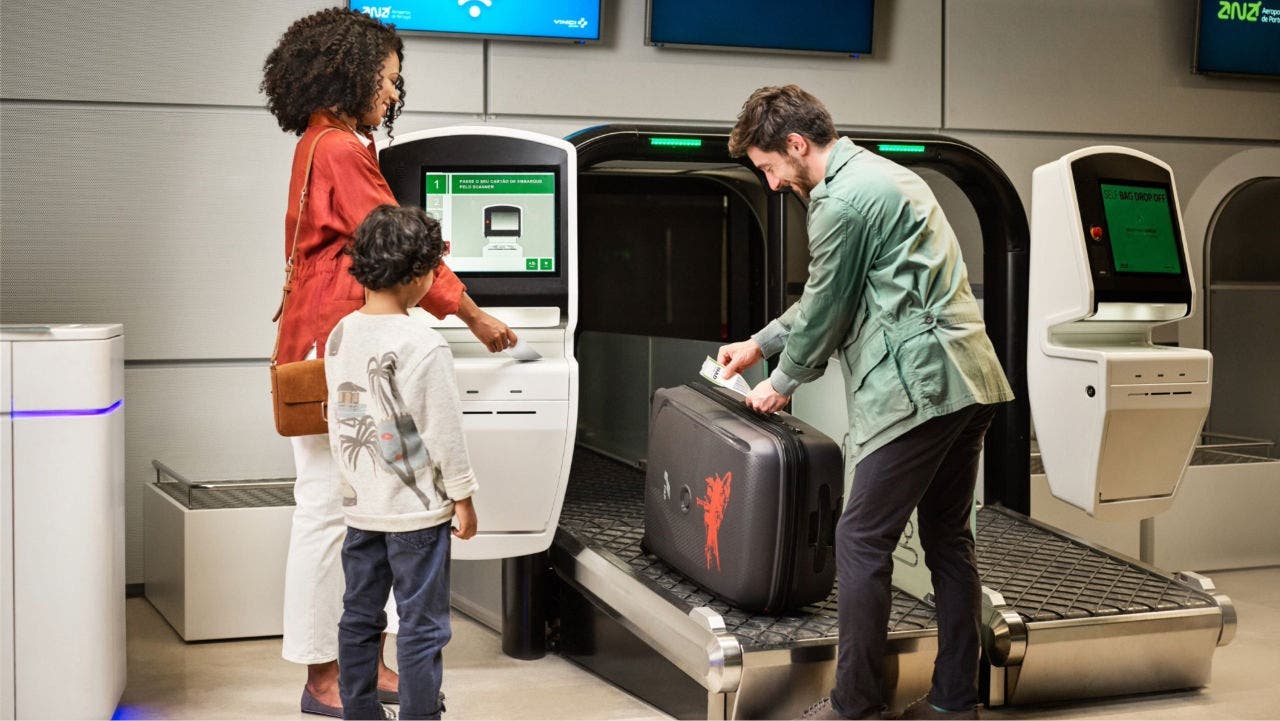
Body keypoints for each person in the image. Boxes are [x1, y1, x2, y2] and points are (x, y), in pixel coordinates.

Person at [717, 85, 1014, 721]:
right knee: (947, 538)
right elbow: (836, 289)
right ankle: (955, 701)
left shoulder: (840, 202)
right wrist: (760, 343)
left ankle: (854, 705)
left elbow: (827, 305)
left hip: (920, 389)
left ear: (796, 146)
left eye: (769, 169)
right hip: (969, 379)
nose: (769, 185)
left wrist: (782, 379)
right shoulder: (886, 176)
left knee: (859, 537)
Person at [260, 8, 514, 716]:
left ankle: (354, 663)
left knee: (350, 508)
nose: (393, 94)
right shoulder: (339, 147)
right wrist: (474, 314)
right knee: (328, 512)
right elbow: (395, 247)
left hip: (320, 342)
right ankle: (323, 677)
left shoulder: (325, 140)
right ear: (353, 71)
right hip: (331, 350)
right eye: (389, 79)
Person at [326, 204, 478, 720]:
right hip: (415, 514)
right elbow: (443, 432)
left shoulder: (341, 333)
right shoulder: (422, 344)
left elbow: (342, 419)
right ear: (418, 276)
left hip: (361, 508)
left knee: (359, 616)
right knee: (421, 625)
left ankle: (361, 712)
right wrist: (462, 496)